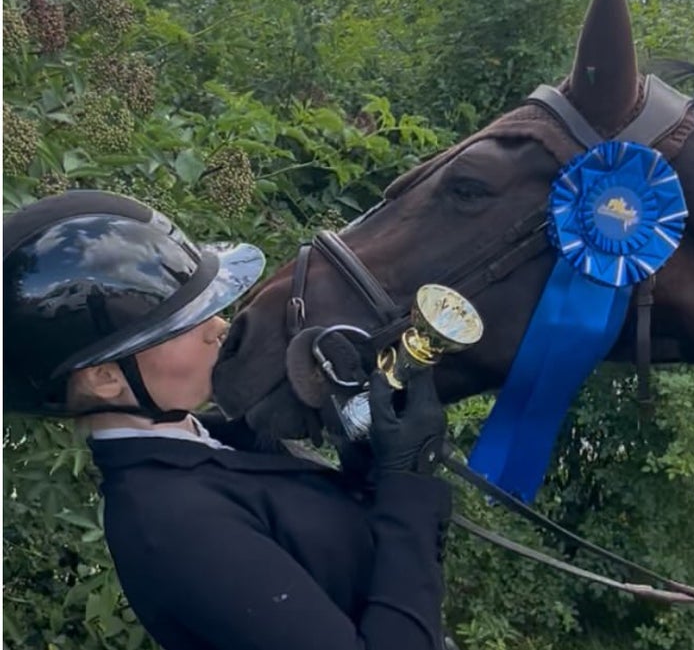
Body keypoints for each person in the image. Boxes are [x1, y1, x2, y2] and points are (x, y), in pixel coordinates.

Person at [3, 190, 453, 650]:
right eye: (182, 324)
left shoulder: (211, 442)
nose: (219, 326)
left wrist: (368, 449)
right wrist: (407, 484)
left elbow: (345, 561)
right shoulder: (172, 524)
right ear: (104, 379)